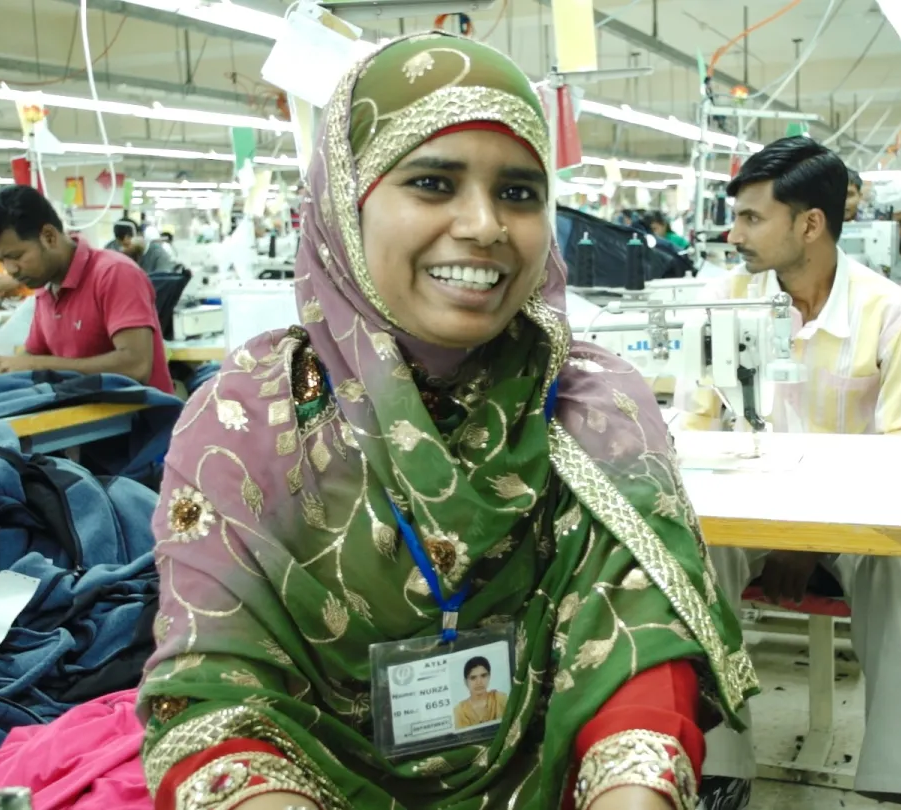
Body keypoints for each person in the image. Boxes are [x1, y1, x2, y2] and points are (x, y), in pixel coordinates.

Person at [137, 33, 757, 810]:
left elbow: (636, 646)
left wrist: (632, 790)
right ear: (345, 203)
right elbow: (214, 687)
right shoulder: (249, 420)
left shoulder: (593, 409)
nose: (485, 226)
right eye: (433, 183)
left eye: (521, 193)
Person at [676, 136, 901, 809]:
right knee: (693, 554)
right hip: (751, 505)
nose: (735, 233)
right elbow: (693, 426)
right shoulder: (724, 300)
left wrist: (806, 539)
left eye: (753, 218)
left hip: (856, 515)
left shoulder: (890, 314)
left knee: (896, 573)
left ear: (810, 224)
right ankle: (720, 764)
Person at [0, 185, 174, 394]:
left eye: (16, 256)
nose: (10, 269)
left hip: (141, 421)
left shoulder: (114, 273)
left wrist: (37, 366)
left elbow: (136, 366)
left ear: (49, 236)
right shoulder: (45, 288)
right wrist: (4, 367)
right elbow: (33, 356)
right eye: (1, 260)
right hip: (83, 416)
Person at [452, 656, 507, 730]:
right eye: (473, 678)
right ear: (466, 682)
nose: (479, 682)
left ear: (489, 677)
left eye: (483, 676)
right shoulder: (460, 710)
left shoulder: (500, 698)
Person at [111, 218, 178, 274]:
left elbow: (163, 282)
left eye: (125, 246)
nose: (123, 250)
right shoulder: (121, 252)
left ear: (128, 238)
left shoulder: (158, 255)